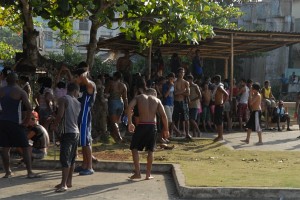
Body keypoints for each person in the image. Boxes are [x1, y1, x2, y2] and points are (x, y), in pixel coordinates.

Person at [0, 72, 40, 178]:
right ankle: (30, 172)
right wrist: (26, 121)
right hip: (15, 123)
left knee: (5, 148)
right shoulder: (20, 92)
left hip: (3, 122)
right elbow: (29, 108)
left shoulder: (1, 90)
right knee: (25, 147)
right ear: (17, 80)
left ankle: (8, 172)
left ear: (7, 80)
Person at [126, 88, 169, 180]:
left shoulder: (139, 97)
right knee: (150, 150)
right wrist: (166, 129)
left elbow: (129, 107)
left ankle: (137, 172)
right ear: (154, 93)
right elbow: (163, 116)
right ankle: (148, 174)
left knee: (134, 148)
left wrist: (130, 122)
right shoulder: (157, 100)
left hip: (141, 125)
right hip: (152, 126)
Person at [51, 82, 81, 192]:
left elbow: (60, 115)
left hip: (67, 132)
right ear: (75, 91)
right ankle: (69, 181)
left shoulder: (64, 99)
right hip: (75, 132)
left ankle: (64, 184)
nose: (78, 94)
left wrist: (54, 125)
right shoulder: (78, 102)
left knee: (64, 158)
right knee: (71, 158)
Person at [73, 61, 96, 176]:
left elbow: (84, 79)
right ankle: (84, 165)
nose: (75, 79)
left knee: (86, 142)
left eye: (76, 77)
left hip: (85, 117)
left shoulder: (90, 85)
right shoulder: (81, 86)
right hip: (80, 116)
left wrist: (85, 72)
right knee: (83, 142)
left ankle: (90, 167)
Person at [105, 71, 128, 143]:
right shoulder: (124, 85)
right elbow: (125, 98)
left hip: (113, 102)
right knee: (117, 122)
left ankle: (119, 137)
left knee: (114, 122)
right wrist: (126, 108)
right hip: (121, 103)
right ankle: (116, 138)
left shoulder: (111, 83)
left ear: (115, 77)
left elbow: (106, 93)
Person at [173, 67, 191, 139]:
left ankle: (187, 133)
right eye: (180, 72)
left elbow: (188, 93)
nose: (182, 74)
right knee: (174, 119)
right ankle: (172, 133)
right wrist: (183, 91)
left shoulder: (186, 82)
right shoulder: (175, 82)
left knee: (186, 119)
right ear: (178, 73)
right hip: (176, 102)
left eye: (183, 72)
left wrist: (180, 92)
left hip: (183, 102)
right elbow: (175, 93)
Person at [212, 75, 228, 142]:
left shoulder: (220, 87)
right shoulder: (217, 87)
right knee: (217, 122)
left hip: (219, 106)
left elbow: (226, 94)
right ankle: (219, 136)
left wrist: (223, 103)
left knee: (219, 122)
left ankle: (221, 136)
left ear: (215, 80)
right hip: (217, 105)